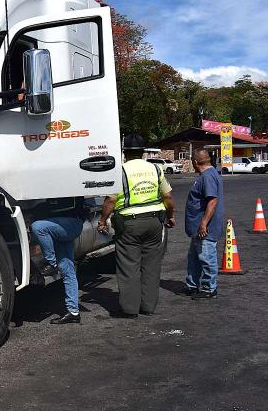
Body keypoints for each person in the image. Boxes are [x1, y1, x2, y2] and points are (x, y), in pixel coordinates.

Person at [98, 135, 175, 318]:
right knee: (151, 265)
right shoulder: (156, 169)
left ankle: (130, 309)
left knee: (129, 265)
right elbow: (168, 197)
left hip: (129, 223)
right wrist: (170, 216)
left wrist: (102, 220)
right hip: (155, 221)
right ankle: (148, 306)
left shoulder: (120, 171)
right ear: (143, 152)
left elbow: (111, 199)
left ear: (125, 153)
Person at [31, 197, 85, 324]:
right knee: (68, 270)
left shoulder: (69, 184)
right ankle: (73, 312)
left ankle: (52, 263)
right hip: (59, 224)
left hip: (71, 222)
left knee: (38, 227)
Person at [184, 148, 223, 299]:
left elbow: (212, 201)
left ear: (195, 162)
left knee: (207, 258)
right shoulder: (207, 175)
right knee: (194, 258)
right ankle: (192, 285)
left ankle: (209, 288)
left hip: (205, 229)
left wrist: (204, 223)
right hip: (197, 228)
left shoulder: (208, 177)